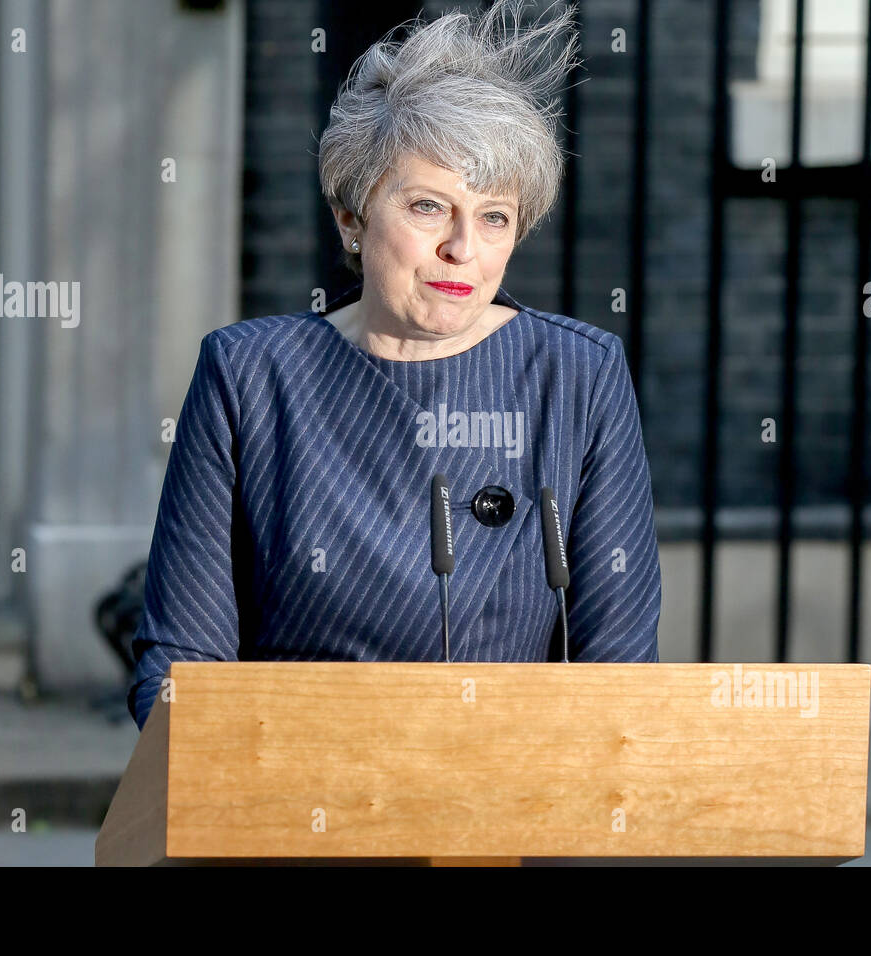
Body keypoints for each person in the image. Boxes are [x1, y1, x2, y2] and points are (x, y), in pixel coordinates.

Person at [128, 0, 660, 731]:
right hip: (294, 800)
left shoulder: (579, 376)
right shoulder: (249, 377)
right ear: (352, 216)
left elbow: (621, 670)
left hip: (505, 804)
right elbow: (182, 663)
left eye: (494, 216)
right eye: (429, 207)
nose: (462, 248)